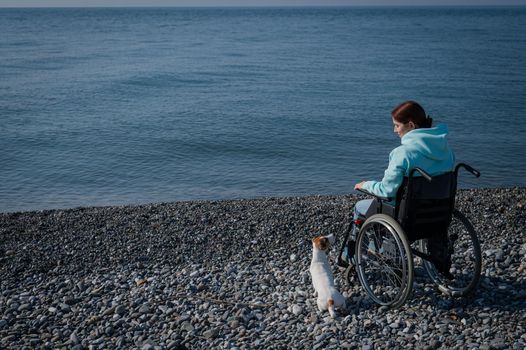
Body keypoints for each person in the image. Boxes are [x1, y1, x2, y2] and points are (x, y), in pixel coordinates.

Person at [338, 100, 455, 270]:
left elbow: (387, 190)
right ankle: (376, 251)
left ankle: (351, 258)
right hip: (439, 215)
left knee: (361, 207)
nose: (395, 130)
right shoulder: (446, 150)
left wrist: (365, 185)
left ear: (411, 125)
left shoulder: (403, 154)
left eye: (397, 126)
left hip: (407, 218)